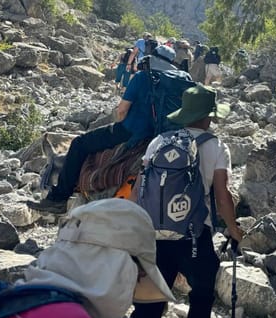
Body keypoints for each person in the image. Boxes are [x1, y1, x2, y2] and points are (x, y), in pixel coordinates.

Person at [130, 85, 244, 318]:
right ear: (209, 116)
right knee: (202, 293)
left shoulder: (159, 142)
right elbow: (223, 196)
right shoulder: (217, 146)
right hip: (194, 236)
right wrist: (234, 230)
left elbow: (138, 189)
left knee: (149, 302)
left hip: (154, 235)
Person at [26, 45, 179, 214]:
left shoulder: (143, 77)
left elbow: (122, 110)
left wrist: (120, 124)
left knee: (79, 144)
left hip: (132, 132)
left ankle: (59, 198)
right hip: (166, 136)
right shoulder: (182, 80)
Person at [12, 198, 176, 318]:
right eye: (138, 275)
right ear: (119, 265)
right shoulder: (69, 316)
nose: (133, 292)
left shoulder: (21, 296)